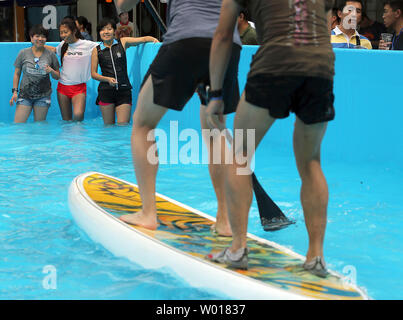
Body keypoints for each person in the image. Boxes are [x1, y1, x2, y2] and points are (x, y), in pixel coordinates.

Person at [205, 0, 335, 276]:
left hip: (274, 62)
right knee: (311, 162)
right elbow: (323, 25)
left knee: (240, 155)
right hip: (320, 66)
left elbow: (223, 35)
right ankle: (316, 257)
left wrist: (216, 94)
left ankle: (238, 249)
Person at [115, 0, 242, 236]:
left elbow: (123, 5)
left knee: (143, 124)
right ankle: (225, 220)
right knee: (216, 132)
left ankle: (148, 213)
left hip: (187, 38)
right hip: (228, 43)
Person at [91, 18, 158, 125]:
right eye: (102, 30)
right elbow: (93, 74)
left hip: (124, 91)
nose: (106, 32)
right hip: (106, 91)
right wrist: (107, 79)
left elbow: (142, 39)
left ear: (114, 31)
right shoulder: (96, 50)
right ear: (99, 32)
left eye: (109, 29)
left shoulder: (122, 42)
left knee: (123, 126)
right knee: (108, 127)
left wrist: (153, 39)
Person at [46, 18, 98, 121]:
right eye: (61, 33)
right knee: (66, 122)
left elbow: (104, 47)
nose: (63, 35)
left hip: (79, 88)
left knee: (78, 116)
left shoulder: (88, 45)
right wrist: (39, 44)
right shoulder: (63, 45)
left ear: (74, 31)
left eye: (65, 32)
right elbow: (54, 50)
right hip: (62, 88)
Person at [9, 25, 60, 123]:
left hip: (43, 96)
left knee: (39, 127)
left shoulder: (51, 55)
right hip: (25, 95)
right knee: (18, 126)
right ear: (31, 38)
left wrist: (51, 71)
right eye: (37, 36)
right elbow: (17, 73)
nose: (40, 39)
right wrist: (15, 92)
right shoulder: (23, 53)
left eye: (43, 36)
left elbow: (57, 76)